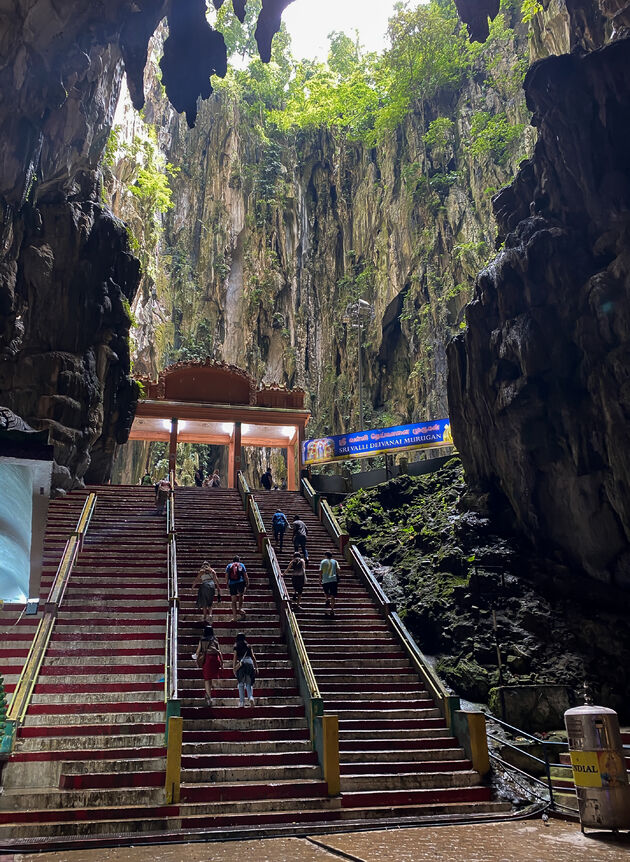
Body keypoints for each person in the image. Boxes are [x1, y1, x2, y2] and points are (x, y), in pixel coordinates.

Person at [195, 624, 223, 706]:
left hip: (207, 659)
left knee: (207, 678)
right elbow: (219, 651)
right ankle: (208, 695)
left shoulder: (202, 640)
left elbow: (197, 652)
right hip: (215, 659)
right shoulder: (215, 639)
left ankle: (209, 697)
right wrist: (222, 662)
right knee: (210, 678)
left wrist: (197, 659)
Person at [233, 633, 258, 707]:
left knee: (241, 683)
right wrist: (256, 667)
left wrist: (234, 668)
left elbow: (234, 658)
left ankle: (242, 702)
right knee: (248, 683)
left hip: (241, 664)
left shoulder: (236, 646)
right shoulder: (248, 646)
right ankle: (250, 697)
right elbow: (253, 657)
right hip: (249, 663)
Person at [225, 555, 248, 622]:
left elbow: (226, 575)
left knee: (233, 600)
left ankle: (234, 617)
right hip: (240, 582)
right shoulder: (241, 565)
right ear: (239, 560)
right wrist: (247, 582)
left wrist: (227, 583)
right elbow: (245, 574)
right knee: (241, 595)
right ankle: (240, 608)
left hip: (232, 583)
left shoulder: (229, 566)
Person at [320, 551, 340, 617]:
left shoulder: (323, 562)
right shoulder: (335, 561)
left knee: (326, 591)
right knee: (333, 595)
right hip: (333, 580)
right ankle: (332, 609)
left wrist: (320, 579)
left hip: (325, 579)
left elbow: (320, 571)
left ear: (326, 555)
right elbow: (338, 570)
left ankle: (326, 599)